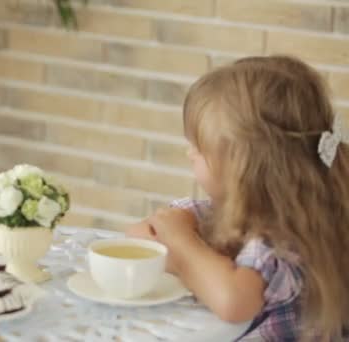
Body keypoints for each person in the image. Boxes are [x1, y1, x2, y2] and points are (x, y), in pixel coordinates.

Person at [127, 55, 349, 341]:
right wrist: (175, 234)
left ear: (243, 167)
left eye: (198, 146)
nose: (189, 153)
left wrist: (182, 247)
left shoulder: (286, 240)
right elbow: (137, 235)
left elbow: (234, 303)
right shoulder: (226, 215)